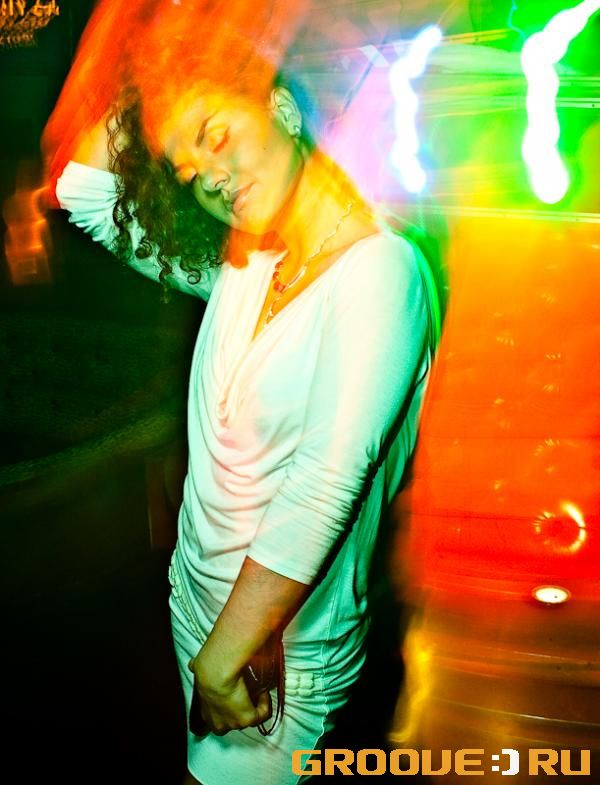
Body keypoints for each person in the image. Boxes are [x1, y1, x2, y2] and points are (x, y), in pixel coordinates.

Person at [43, 2, 441, 783]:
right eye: (188, 172)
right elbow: (85, 188)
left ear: (282, 107)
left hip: (273, 664)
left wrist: (223, 661)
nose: (210, 178)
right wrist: (157, 71)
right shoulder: (247, 263)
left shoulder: (380, 272)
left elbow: (323, 484)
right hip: (198, 616)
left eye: (217, 136)